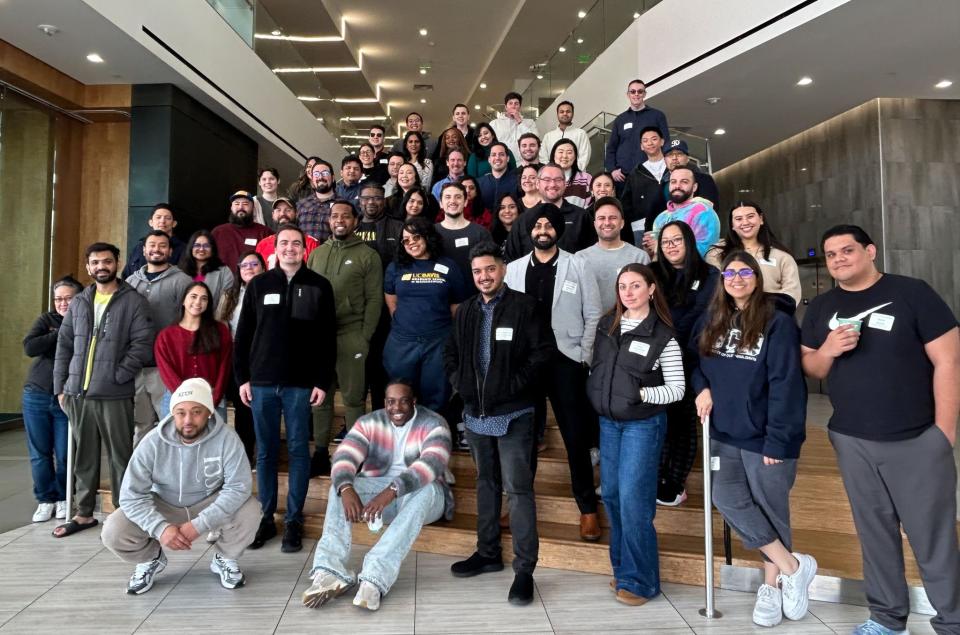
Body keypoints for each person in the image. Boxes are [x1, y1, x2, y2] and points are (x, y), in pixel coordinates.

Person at [800, 225, 960, 635]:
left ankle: (952, 620)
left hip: (917, 438)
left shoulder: (912, 292)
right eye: (832, 254)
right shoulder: (821, 307)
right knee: (874, 534)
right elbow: (812, 367)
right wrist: (829, 350)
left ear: (870, 251)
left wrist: (944, 433)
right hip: (852, 439)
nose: (839, 259)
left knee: (932, 538)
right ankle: (887, 618)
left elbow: (948, 360)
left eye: (847, 250)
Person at [691, 250, 816, 628]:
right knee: (725, 497)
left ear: (757, 278)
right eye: (730, 273)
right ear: (722, 280)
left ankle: (772, 587)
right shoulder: (712, 318)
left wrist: (779, 440)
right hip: (725, 432)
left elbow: (786, 383)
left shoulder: (777, 322)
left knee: (770, 508)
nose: (737, 278)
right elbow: (696, 362)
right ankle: (793, 566)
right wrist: (702, 388)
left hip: (765, 436)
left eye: (745, 272)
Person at [445, 242, 554, 605]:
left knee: (518, 490)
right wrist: (459, 384)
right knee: (485, 483)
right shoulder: (465, 311)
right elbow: (452, 354)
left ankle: (525, 570)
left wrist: (510, 388)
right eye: (477, 271)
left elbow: (542, 357)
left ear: (502, 269)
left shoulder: (526, 307)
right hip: (476, 413)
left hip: (515, 414)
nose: (484, 277)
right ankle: (488, 552)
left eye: (490, 269)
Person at [302, 380, 452, 611]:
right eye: (391, 402)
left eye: (404, 401)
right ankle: (330, 571)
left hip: (423, 501)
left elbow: (430, 465)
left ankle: (374, 578)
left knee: (428, 487)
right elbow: (344, 455)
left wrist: (391, 491)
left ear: (414, 402)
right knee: (338, 486)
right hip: (378, 499)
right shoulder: (370, 422)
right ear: (385, 403)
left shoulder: (434, 424)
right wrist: (346, 488)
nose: (397, 408)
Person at [101, 378, 261, 594]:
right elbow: (131, 495)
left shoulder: (227, 439)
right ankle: (150, 559)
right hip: (164, 503)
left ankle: (225, 557)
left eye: (196, 412)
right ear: (172, 413)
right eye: (181, 412)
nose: (188, 420)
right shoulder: (152, 443)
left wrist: (199, 525)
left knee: (250, 510)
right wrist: (160, 528)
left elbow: (238, 487)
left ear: (209, 413)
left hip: (208, 501)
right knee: (113, 530)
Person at [234, 225, 337, 553]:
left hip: (300, 384)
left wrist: (322, 380)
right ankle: (265, 517)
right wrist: (242, 378)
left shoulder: (320, 285)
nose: (290, 248)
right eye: (284, 243)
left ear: (304, 249)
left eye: (296, 243)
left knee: (296, 450)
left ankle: (294, 519)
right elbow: (244, 336)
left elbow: (327, 338)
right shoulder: (259, 284)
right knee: (264, 452)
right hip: (262, 381)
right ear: (274, 249)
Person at [586, 263, 685, 605]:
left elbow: (677, 389)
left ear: (651, 290)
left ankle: (641, 581)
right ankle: (622, 569)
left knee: (633, 501)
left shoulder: (663, 335)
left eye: (635, 286)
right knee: (611, 495)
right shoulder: (606, 325)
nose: (628, 293)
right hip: (609, 424)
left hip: (643, 425)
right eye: (623, 287)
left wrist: (640, 396)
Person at [504, 206, 603, 541]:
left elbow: (592, 314)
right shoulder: (514, 270)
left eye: (548, 225)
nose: (542, 229)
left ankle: (587, 509)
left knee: (575, 438)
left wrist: (584, 357)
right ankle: (516, 504)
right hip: (526, 363)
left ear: (558, 230)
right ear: (530, 231)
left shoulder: (578, 265)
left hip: (566, 360)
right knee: (524, 438)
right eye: (537, 225)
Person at [53, 242, 154, 538]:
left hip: (114, 393)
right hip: (78, 394)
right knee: (84, 457)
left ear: (117, 263)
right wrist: (61, 387)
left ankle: (124, 515)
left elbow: (142, 344)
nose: (101, 267)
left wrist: (118, 374)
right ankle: (83, 514)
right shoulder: (81, 301)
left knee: (120, 457)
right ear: (88, 267)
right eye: (95, 262)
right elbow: (65, 344)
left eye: (107, 261)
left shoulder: (132, 301)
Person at [307, 200, 384, 475]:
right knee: (320, 399)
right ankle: (319, 453)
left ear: (355, 221)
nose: (339, 220)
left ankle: (354, 456)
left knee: (353, 400)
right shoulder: (316, 254)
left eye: (345, 216)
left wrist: (364, 337)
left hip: (352, 335)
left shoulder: (368, 255)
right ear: (329, 221)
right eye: (334, 216)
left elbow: (375, 299)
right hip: (319, 339)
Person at [652, 221, 720, 507]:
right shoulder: (653, 273)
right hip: (655, 359)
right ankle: (659, 477)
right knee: (662, 422)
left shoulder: (710, 274)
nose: (670, 246)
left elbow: (701, 314)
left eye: (676, 240)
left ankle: (675, 481)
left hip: (691, 357)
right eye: (665, 242)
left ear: (689, 241)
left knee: (683, 424)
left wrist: (670, 338)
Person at [383, 216, 468, 412]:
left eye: (416, 237)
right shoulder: (395, 267)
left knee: (436, 396)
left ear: (428, 237)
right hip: (402, 343)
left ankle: (433, 439)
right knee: (401, 395)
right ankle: (404, 440)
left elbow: (456, 306)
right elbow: (391, 301)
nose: (411, 243)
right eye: (406, 240)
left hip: (437, 342)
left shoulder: (449, 266)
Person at [22, 275, 82, 523]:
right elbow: (30, 347)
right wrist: (59, 333)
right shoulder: (46, 320)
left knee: (65, 452)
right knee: (40, 453)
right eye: (58, 299)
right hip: (36, 393)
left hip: (66, 396)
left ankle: (64, 498)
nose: (63, 303)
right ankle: (45, 499)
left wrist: (61, 331)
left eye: (69, 298)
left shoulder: (84, 320)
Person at [126, 230, 192, 444]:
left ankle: (170, 475)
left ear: (170, 251)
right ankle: (141, 475)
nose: (156, 249)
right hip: (136, 367)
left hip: (165, 367)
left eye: (162, 246)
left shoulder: (183, 281)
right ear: (144, 250)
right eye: (152, 245)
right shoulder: (129, 282)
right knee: (140, 426)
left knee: (170, 423)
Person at [355, 183, 404, 412]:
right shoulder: (351, 226)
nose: (371, 202)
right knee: (358, 365)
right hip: (356, 310)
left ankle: (381, 413)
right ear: (360, 200)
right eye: (367, 198)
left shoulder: (397, 227)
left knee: (381, 365)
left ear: (383, 201)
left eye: (376, 198)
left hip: (387, 307)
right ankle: (353, 420)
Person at [154, 281, 232, 419]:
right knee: (175, 441)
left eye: (204, 298)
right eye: (193, 296)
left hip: (212, 400)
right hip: (177, 400)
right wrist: (187, 398)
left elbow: (224, 368)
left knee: (215, 440)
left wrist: (214, 399)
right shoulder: (166, 336)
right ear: (183, 300)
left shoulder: (220, 331)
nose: (198, 302)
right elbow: (167, 373)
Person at [216, 251, 265, 463]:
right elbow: (220, 325)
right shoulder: (230, 294)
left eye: (255, 264)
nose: (249, 268)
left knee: (260, 404)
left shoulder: (272, 288)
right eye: (244, 265)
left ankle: (262, 451)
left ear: (263, 267)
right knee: (242, 406)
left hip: (264, 353)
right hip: (238, 353)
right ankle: (245, 454)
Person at [706, 202, 801, 306]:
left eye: (750, 216)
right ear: (732, 225)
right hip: (731, 316)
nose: (745, 222)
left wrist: (770, 312)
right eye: (738, 219)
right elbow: (714, 289)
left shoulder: (781, 256)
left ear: (761, 219)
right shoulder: (717, 253)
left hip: (771, 315)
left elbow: (792, 293)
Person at [503, 164, 596, 261]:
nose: (552, 184)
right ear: (538, 184)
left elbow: (591, 257)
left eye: (558, 180)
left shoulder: (581, 217)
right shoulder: (522, 220)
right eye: (547, 180)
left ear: (565, 184)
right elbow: (511, 261)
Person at [575, 197, 650, 313]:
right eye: (601, 218)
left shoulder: (639, 257)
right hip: (593, 328)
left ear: (622, 223)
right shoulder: (580, 258)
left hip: (630, 327)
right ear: (595, 224)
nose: (607, 222)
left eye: (613, 218)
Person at [605, 79, 670, 190]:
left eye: (640, 91)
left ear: (644, 94)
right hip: (623, 177)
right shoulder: (620, 119)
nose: (636, 94)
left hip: (651, 174)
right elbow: (612, 148)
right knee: (625, 207)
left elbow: (666, 143)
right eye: (633, 91)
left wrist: (664, 168)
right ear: (628, 94)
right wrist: (612, 170)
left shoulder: (657, 115)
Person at [647, 167, 720, 258]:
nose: (677, 186)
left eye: (684, 182)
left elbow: (705, 251)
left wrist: (659, 248)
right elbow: (655, 254)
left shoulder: (703, 212)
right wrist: (649, 249)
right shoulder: (661, 218)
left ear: (694, 187)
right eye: (673, 182)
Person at [621, 126, 670, 241]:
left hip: (674, 222)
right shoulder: (635, 173)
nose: (649, 143)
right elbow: (626, 203)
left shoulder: (673, 166)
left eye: (654, 139)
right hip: (643, 228)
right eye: (645, 140)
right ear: (641, 146)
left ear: (662, 141)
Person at [435, 182, 493, 279]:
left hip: (474, 292)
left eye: (458, 197)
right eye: (448, 197)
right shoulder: (431, 233)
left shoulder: (481, 233)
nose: (452, 201)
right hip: (439, 291)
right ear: (441, 203)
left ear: (465, 202)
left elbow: (490, 266)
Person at [212, 191, 274, 274]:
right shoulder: (218, 232)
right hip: (223, 284)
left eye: (245, 204)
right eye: (237, 204)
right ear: (231, 207)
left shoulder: (265, 232)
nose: (241, 207)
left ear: (253, 208)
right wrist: (198, 279)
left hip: (254, 283)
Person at [122, 204, 186, 279]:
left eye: (167, 218)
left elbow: (195, 276)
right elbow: (126, 276)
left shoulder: (184, 249)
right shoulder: (139, 247)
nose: (162, 221)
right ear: (150, 222)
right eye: (158, 217)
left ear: (174, 224)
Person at [255, 197, 320, 268]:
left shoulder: (311, 243)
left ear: (296, 214)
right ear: (273, 215)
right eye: (278, 210)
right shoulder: (262, 244)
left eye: (288, 210)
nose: (283, 213)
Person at [179, 230, 235, 308]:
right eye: (197, 245)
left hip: (213, 318)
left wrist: (216, 319)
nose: (201, 249)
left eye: (206, 246)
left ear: (213, 249)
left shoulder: (224, 271)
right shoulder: (180, 271)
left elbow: (227, 301)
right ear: (191, 247)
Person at [663, 139, 719, 209]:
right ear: (664, 160)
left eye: (679, 154)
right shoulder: (662, 182)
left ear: (687, 159)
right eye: (670, 154)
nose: (674, 158)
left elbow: (710, 208)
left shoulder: (704, 180)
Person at [540, 101, 591, 171]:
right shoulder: (548, 136)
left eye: (568, 111)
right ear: (557, 114)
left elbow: (584, 157)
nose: (565, 114)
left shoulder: (581, 134)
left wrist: (572, 174)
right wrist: (553, 172)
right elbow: (543, 158)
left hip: (575, 177)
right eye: (561, 112)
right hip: (553, 177)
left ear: (572, 114)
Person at [489, 91, 538, 161]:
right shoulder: (494, 123)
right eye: (510, 103)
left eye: (516, 103)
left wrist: (519, 121)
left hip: (524, 161)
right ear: (506, 107)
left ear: (520, 107)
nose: (513, 106)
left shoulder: (530, 122)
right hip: (502, 161)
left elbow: (534, 139)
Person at [297, 159, 337, 243]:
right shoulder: (301, 205)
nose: (320, 177)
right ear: (312, 178)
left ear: (333, 178)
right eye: (316, 174)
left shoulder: (343, 205)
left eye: (325, 173)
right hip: (304, 255)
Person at [476, 143, 519, 219]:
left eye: (501, 154)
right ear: (489, 159)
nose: (497, 158)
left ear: (508, 158)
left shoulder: (518, 182)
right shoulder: (479, 183)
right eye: (494, 155)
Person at [551, 138, 593, 208]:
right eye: (561, 152)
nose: (564, 156)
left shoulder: (586, 179)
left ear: (575, 157)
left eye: (569, 152)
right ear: (553, 155)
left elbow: (589, 206)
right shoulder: (544, 178)